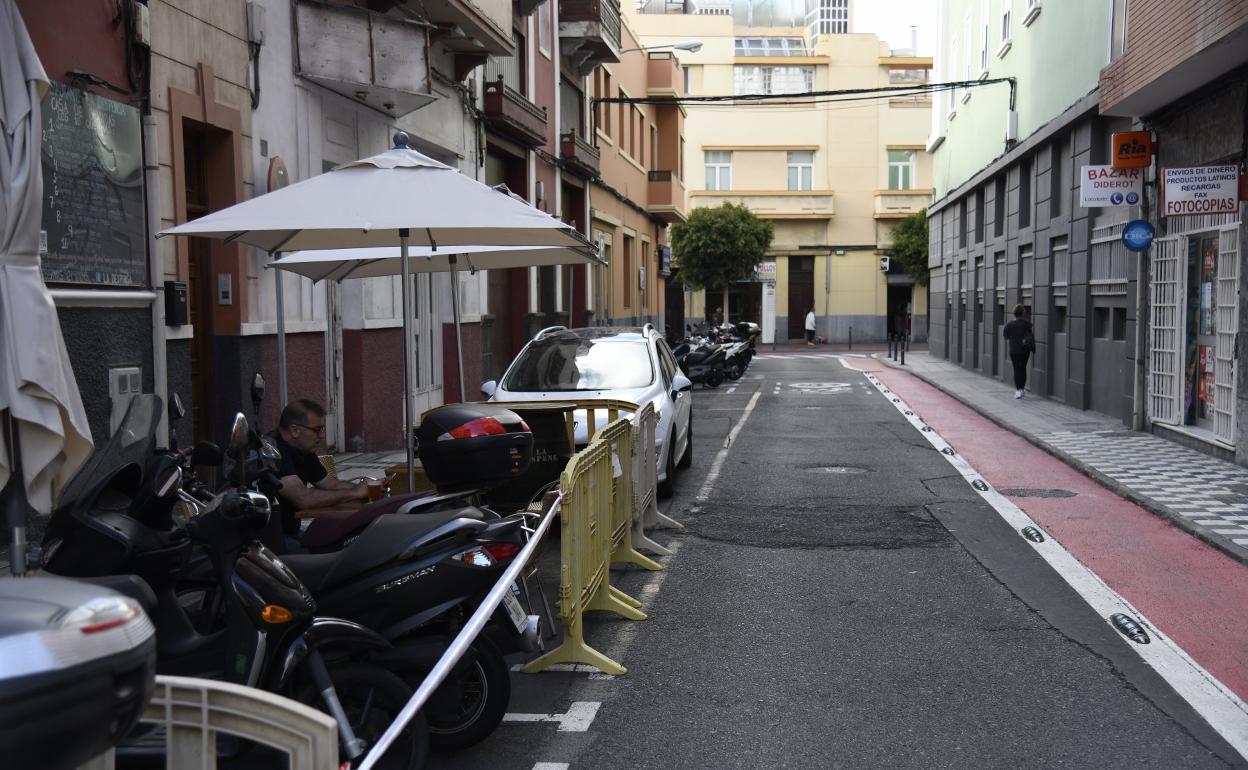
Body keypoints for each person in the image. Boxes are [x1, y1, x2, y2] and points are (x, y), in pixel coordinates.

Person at [269, 399, 368, 544]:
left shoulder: (303, 449)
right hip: (270, 540)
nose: (322, 436)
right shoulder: (273, 452)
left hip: (290, 531)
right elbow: (304, 499)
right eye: (317, 430)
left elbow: (330, 484)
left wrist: (366, 488)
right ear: (295, 430)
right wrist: (354, 493)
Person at [1002, 304, 1034, 399]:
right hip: (1025, 350)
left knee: (1016, 369)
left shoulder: (1009, 324)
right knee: (1023, 369)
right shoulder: (1027, 324)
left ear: (1014, 313)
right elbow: (1030, 336)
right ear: (1023, 313)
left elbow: (1005, 337)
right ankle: (1022, 389)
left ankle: (1018, 390)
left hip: (1014, 350)